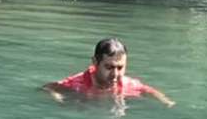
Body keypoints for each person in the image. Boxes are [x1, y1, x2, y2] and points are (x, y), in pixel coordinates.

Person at [43, 37, 175, 107]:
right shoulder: (77, 83)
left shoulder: (127, 84)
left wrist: (166, 102)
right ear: (95, 62)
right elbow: (48, 88)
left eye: (120, 67)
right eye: (109, 67)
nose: (115, 74)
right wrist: (58, 99)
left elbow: (148, 90)